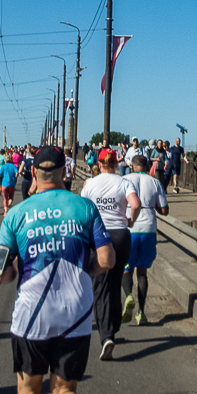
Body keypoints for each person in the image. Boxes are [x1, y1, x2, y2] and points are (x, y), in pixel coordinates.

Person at [0, 146, 115, 394]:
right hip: (75, 312)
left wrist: (15, 270)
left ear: (33, 172)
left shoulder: (15, 215)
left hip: (31, 315)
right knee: (65, 391)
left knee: (27, 392)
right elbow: (107, 259)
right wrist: (85, 270)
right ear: (65, 171)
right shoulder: (84, 207)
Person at [80, 147, 140, 360]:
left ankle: (106, 336)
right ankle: (113, 326)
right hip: (121, 235)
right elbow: (136, 204)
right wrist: (130, 220)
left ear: (98, 163)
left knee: (100, 284)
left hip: (98, 235)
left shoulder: (90, 184)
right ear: (116, 163)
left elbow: (83, 208)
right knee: (114, 281)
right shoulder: (124, 182)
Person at [120, 155, 168, 325]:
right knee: (142, 271)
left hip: (129, 227)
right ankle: (141, 312)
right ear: (147, 167)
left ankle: (128, 296)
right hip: (148, 228)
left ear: (132, 167)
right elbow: (164, 210)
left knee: (126, 268)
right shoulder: (155, 182)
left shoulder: (124, 180)